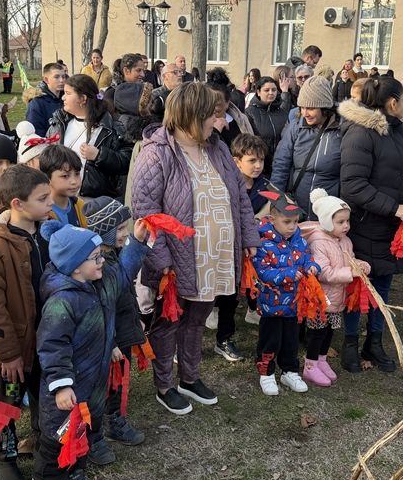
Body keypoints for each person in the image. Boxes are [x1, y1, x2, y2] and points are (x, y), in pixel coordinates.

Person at [130, 82, 260, 415]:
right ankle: (165, 385)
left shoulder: (218, 149)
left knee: (198, 318)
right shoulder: (156, 154)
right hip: (177, 259)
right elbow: (146, 212)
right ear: (190, 116)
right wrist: (161, 259)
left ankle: (189, 377)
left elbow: (240, 198)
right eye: (211, 116)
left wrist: (248, 238)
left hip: (214, 255)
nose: (217, 122)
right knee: (169, 322)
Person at [33, 219, 150, 480]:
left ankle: (75, 475)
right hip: (67, 392)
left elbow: (123, 272)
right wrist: (61, 385)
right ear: (75, 267)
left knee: (85, 430)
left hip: (93, 383)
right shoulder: (62, 301)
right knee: (57, 438)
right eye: (95, 258)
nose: (102, 261)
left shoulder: (101, 282)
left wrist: (137, 242)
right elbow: (52, 345)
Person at [338, 77, 403, 373]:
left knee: (384, 284)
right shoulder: (360, 133)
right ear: (393, 102)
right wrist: (393, 207)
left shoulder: (398, 128)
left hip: (391, 228)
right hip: (365, 224)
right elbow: (353, 185)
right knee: (358, 285)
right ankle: (350, 342)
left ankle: (374, 342)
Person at [0, 164, 52, 480]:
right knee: (7, 400)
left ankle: (40, 440)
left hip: (48, 339)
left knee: (44, 396)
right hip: (16, 346)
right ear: (18, 204)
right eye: (43, 198)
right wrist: (7, 353)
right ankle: (4, 456)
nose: (51, 203)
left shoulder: (49, 229)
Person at [82, 196, 148, 465]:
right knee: (100, 389)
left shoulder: (114, 254)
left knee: (119, 382)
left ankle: (115, 420)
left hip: (121, 329)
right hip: (108, 338)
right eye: (120, 229)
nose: (126, 233)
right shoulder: (98, 264)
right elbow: (119, 281)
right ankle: (94, 436)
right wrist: (138, 244)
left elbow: (125, 291)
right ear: (104, 230)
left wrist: (135, 318)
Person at [208, 134, 270, 363]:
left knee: (232, 297)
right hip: (225, 247)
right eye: (252, 160)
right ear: (236, 161)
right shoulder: (224, 183)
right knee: (217, 292)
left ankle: (225, 338)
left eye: (261, 160)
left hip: (249, 249)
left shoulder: (265, 186)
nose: (257, 165)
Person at [253, 186, 319, 396]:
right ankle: (266, 373)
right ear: (273, 219)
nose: (292, 227)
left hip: (293, 304)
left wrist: (312, 266)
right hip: (271, 304)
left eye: (295, 222)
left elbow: (307, 257)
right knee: (270, 340)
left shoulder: (299, 239)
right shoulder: (263, 242)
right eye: (287, 222)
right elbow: (262, 272)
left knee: (291, 340)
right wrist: (288, 274)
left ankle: (289, 371)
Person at [299, 189, 367, 387]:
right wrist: (350, 273)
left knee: (329, 331)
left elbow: (350, 260)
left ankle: (322, 360)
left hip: (337, 298)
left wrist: (360, 265)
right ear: (327, 222)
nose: (346, 226)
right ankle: (310, 365)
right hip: (321, 299)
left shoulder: (345, 241)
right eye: (340, 222)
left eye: (347, 221)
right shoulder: (318, 243)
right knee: (317, 333)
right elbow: (324, 273)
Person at [47, 74, 130, 199]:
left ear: (83, 98)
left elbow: (125, 162)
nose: (63, 97)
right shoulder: (58, 123)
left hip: (92, 201)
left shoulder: (111, 127)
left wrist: (99, 155)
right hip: (58, 198)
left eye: (68, 93)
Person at [270, 75, 342, 214]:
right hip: (296, 209)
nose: (305, 113)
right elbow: (280, 166)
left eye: (310, 108)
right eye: (302, 108)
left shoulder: (341, 131)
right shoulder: (295, 127)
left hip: (329, 212)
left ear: (324, 107)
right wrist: (276, 203)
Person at [245, 76, 291, 175]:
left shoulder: (282, 112)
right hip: (261, 167)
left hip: (282, 165)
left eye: (274, 90)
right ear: (258, 92)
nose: (271, 93)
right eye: (266, 90)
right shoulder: (250, 113)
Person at [38, 144, 88, 227]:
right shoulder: (41, 213)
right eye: (65, 176)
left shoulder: (79, 205)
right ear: (47, 178)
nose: (74, 181)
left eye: (77, 174)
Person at [206, 67, 254, 146]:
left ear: (227, 103)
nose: (211, 107)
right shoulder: (198, 123)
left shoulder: (240, 122)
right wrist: (215, 130)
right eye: (207, 102)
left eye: (216, 104)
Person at [25, 62, 67, 134]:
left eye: (63, 77)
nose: (62, 80)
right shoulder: (37, 103)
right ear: (46, 79)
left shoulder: (67, 98)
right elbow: (36, 131)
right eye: (56, 77)